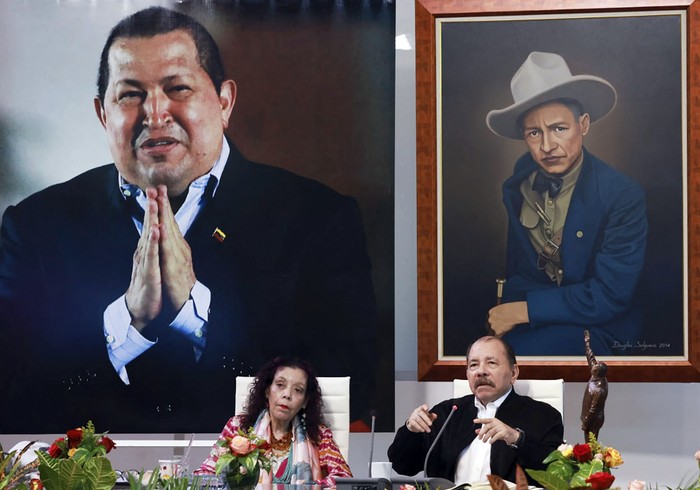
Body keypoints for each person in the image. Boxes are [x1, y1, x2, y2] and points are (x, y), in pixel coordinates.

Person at [0, 6, 376, 433]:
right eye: (129, 94)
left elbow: (351, 389)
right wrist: (127, 322)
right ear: (103, 114)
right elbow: (13, 397)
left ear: (224, 101)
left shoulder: (317, 218)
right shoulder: (34, 227)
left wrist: (196, 315)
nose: (155, 114)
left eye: (177, 88)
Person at [485, 51, 648, 355]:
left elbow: (610, 295)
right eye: (534, 133)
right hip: (535, 320)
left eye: (559, 128)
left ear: (583, 124)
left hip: (601, 325)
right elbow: (519, 272)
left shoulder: (622, 195)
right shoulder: (518, 186)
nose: (547, 146)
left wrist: (525, 310)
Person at [388, 336, 563, 485]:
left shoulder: (543, 416)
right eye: (473, 365)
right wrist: (411, 430)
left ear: (514, 373)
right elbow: (403, 466)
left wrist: (517, 438)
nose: (481, 372)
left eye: (491, 363)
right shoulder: (447, 413)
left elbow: (557, 473)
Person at [196, 357, 352, 487]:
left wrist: (308, 487)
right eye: (280, 385)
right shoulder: (238, 427)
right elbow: (205, 476)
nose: (287, 395)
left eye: (298, 390)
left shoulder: (318, 435)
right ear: (266, 390)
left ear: (305, 401)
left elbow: (344, 480)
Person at [581, 329, 608, 442]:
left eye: (594, 367)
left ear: (597, 373)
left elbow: (593, 409)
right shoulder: (597, 375)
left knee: (591, 444)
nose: (592, 366)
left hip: (593, 421)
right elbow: (590, 357)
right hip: (588, 417)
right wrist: (587, 342)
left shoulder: (599, 389)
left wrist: (585, 423)